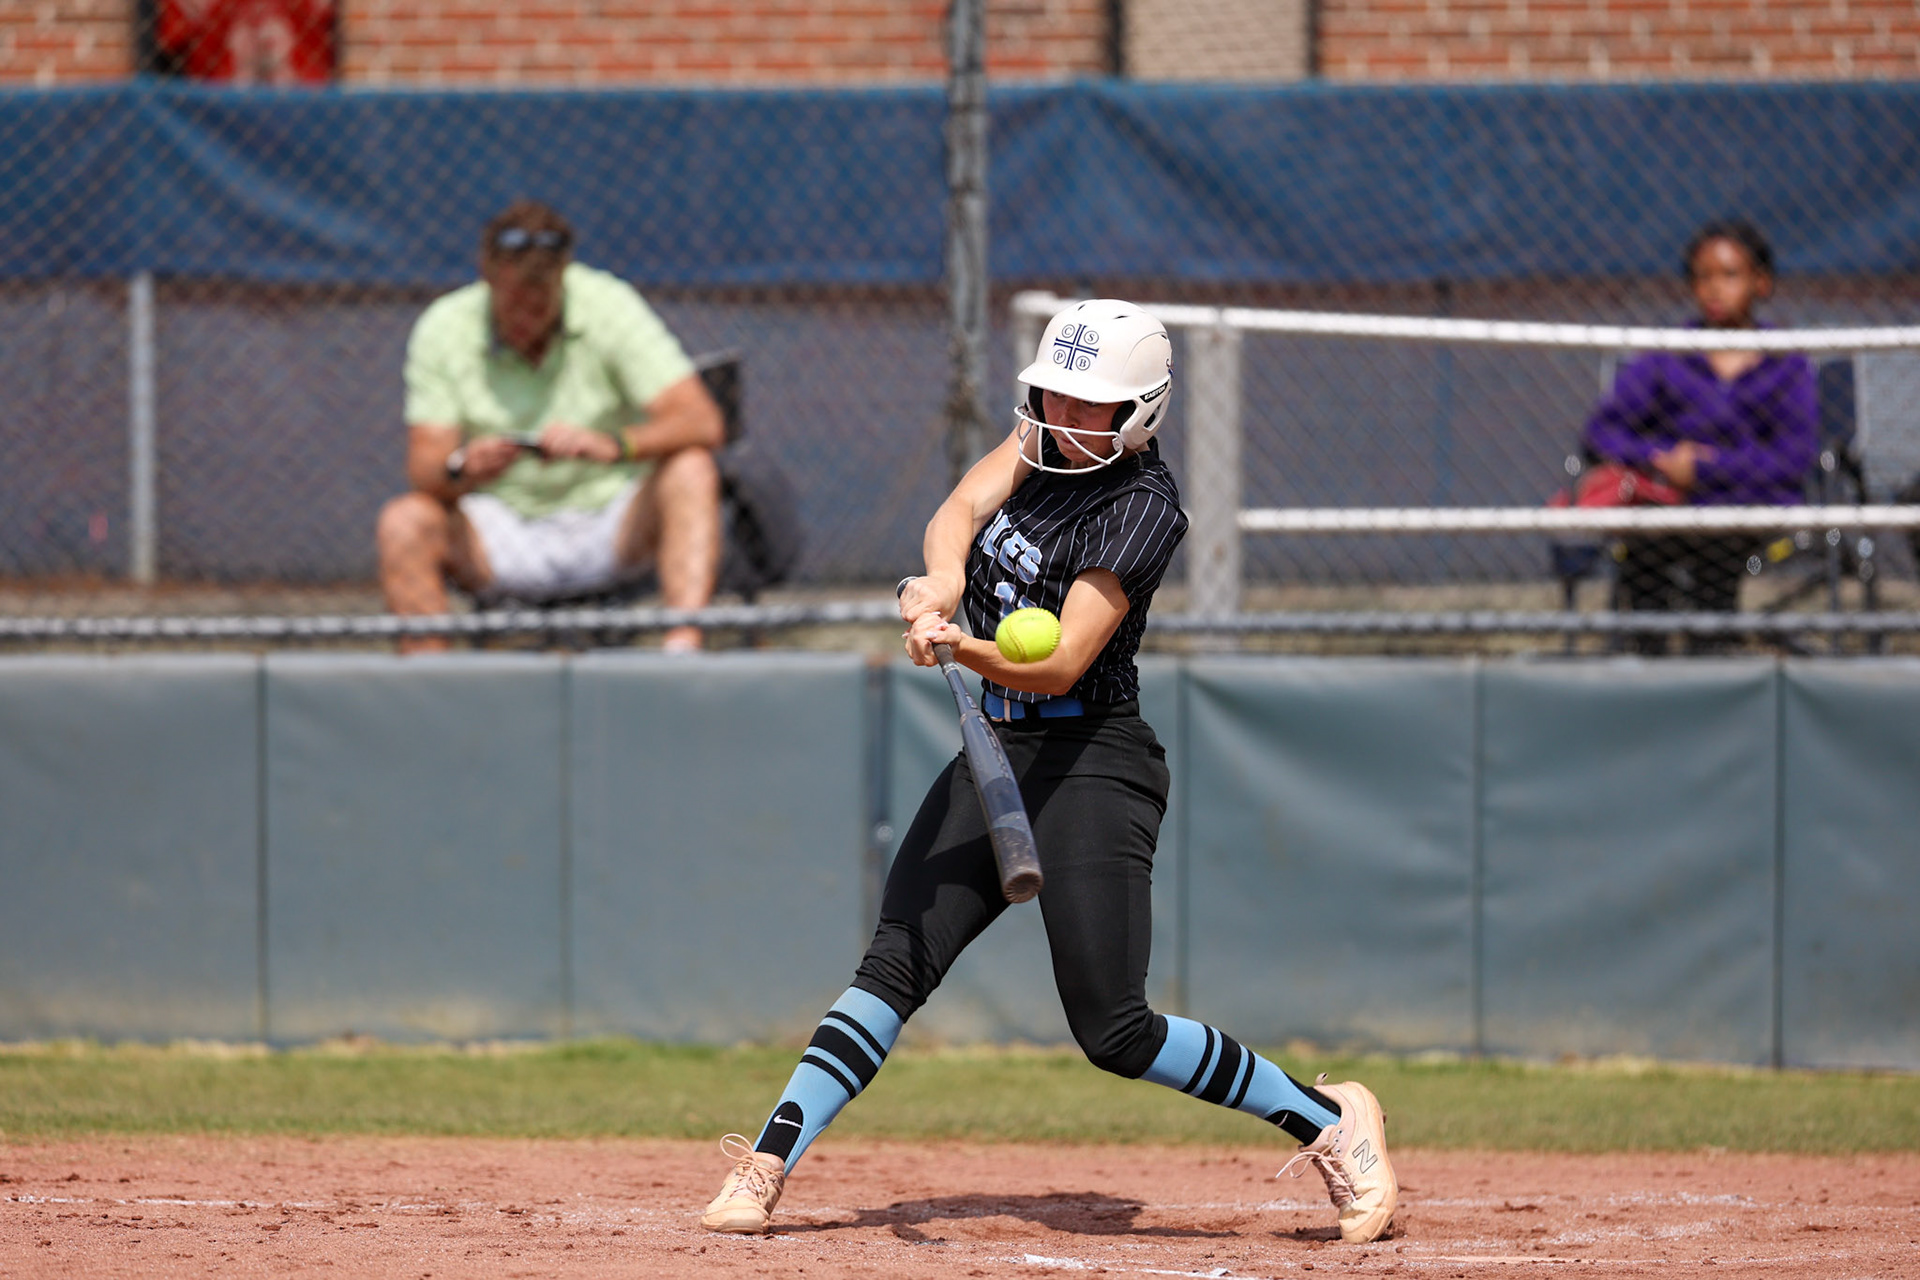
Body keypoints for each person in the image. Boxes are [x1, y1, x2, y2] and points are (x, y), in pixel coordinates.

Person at [698, 299, 1398, 1245]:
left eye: (1087, 403)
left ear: (1138, 412)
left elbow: (1063, 661)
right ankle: (768, 1160)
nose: (1063, 417)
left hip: (1093, 762)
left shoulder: (1143, 508)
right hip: (998, 748)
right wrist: (942, 584)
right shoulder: (1038, 445)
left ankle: (1329, 1123)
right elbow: (959, 510)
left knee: (1115, 1030)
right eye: (1053, 395)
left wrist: (960, 646)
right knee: (895, 960)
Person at [376, 200, 724, 653]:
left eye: (541, 300)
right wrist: (464, 466)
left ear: (564, 280)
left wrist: (613, 445)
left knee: (692, 469)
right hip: (499, 529)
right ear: (487, 276)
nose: (527, 313)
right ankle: (431, 682)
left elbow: (702, 420)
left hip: (610, 523)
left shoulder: (609, 305)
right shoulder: (443, 327)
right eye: (515, 299)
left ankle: (682, 656)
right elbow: (424, 468)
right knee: (403, 521)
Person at [1581, 218, 1818, 649]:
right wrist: (1662, 459)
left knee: (1717, 545)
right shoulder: (1668, 354)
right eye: (1702, 277)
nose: (1714, 289)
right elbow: (1602, 431)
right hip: (1672, 504)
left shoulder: (1786, 362)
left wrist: (1709, 470)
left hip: (1749, 507)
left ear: (1761, 283)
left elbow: (1792, 457)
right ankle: (1650, 656)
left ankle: (1713, 655)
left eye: (1729, 275)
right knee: (1646, 544)